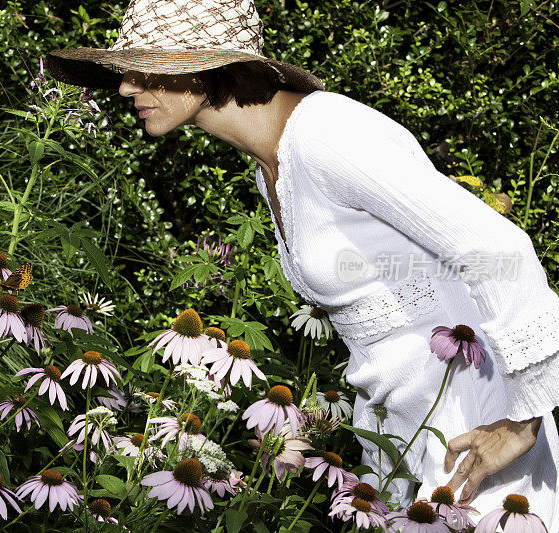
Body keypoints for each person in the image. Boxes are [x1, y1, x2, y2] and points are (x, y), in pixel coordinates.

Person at [43, 0, 559, 526]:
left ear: (205, 66)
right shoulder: (274, 161)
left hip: (472, 419)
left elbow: (500, 251)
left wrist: (522, 421)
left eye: (145, 69)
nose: (126, 88)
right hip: (399, 423)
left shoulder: (328, 134)